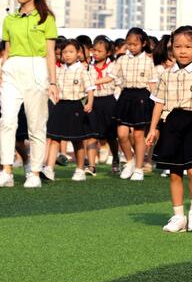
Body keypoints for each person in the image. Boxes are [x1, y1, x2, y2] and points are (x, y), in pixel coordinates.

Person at [147, 26, 192, 233]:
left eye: (188, 46)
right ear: (171, 49)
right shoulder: (166, 75)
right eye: (178, 46)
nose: (183, 50)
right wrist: (154, 128)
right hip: (172, 123)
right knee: (174, 171)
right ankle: (179, 216)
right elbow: (159, 103)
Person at [0, 0, 59, 189]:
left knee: (36, 124)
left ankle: (34, 172)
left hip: (37, 68)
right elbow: (6, 50)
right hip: (12, 70)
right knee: (7, 120)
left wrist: (53, 82)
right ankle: (6, 170)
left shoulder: (46, 19)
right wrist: (2, 71)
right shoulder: (9, 19)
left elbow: (51, 53)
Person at [45, 39, 95, 181]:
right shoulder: (59, 70)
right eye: (64, 52)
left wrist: (89, 103)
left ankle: (79, 169)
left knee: (77, 140)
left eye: (71, 52)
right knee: (55, 138)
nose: (67, 55)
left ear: (78, 53)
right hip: (60, 107)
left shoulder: (82, 70)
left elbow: (90, 89)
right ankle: (49, 168)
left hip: (76, 107)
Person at [111, 27, 157, 181]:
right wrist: (92, 83)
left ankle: (139, 168)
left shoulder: (149, 61)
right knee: (121, 134)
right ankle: (130, 161)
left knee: (138, 135)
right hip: (125, 96)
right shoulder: (122, 59)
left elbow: (152, 84)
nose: (131, 47)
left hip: (142, 97)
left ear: (143, 43)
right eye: (128, 44)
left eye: (134, 44)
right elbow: (111, 76)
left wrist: (159, 103)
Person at [85, 35, 120, 175]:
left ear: (108, 53)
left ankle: (116, 158)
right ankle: (92, 166)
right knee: (92, 134)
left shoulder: (113, 66)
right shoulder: (89, 67)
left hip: (109, 101)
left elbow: (115, 81)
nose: (96, 53)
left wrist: (94, 83)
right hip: (93, 101)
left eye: (100, 51)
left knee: (111, 135)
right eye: (94, 50)